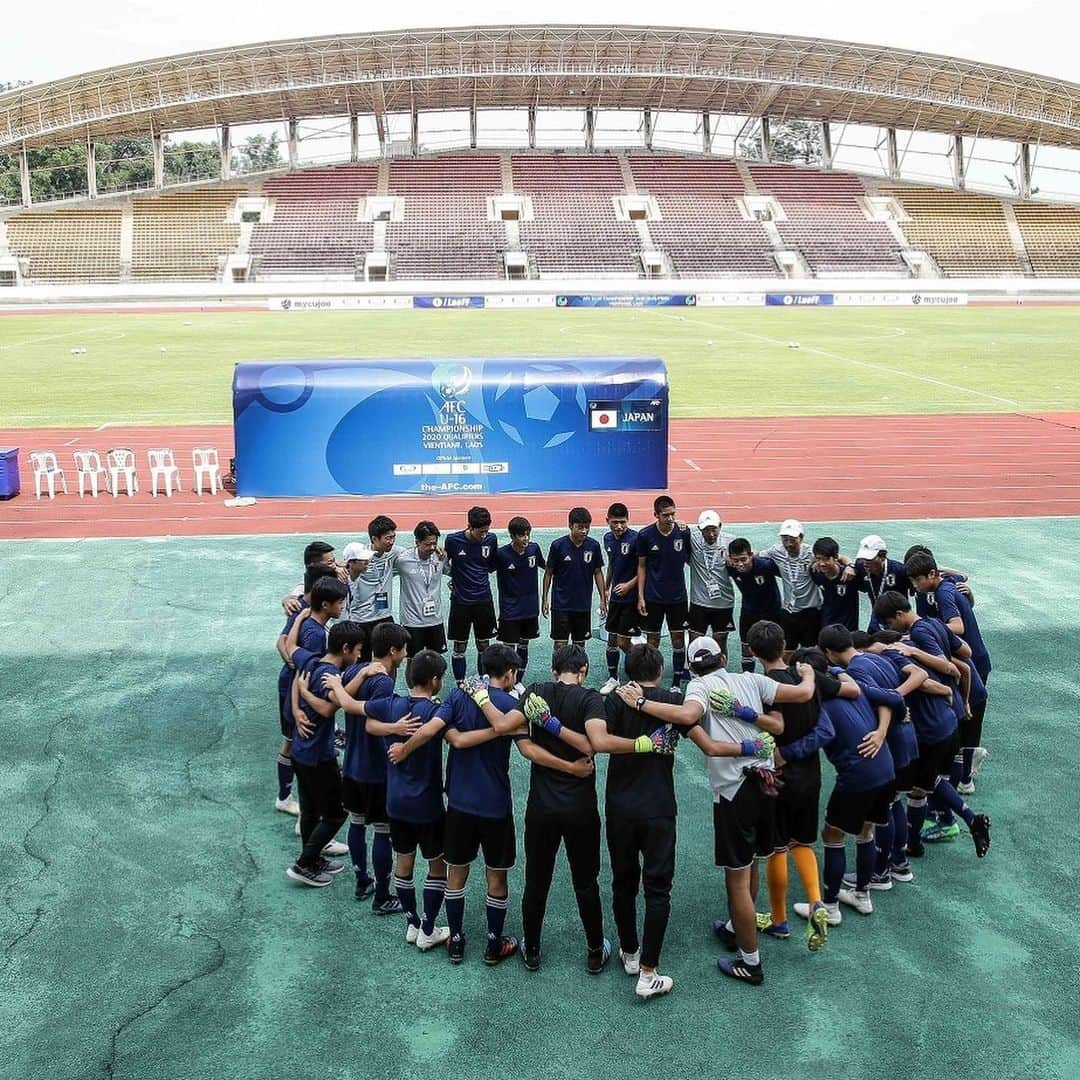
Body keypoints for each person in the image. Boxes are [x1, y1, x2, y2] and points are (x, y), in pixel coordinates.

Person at [616, 636, 815, 987]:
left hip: (735, 790)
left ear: (692, 666)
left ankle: (750, 961)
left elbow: (689, 715)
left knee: (736, 877)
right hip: (768, 782)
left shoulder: (698, 687)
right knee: (752, 861)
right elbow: (802, 694)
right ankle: (734, 929)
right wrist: (808, 672)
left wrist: (642, 701)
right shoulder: (751, 679)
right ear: (724, 656)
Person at [389, 645, 583, 966]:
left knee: (456, 873)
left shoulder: (456, 697)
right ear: (509, 673)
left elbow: (432, 730)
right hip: (495, 806)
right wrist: (572, 768)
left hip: (460, 805)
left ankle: (455, 940)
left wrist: (404, 749)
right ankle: (494, 944)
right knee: (497, 876)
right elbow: (530, 752)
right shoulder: (513, 705)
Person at [479, 645, 610, 973]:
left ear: (554, 670)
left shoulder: (536, 692)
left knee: (537, 879)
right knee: (586, 881)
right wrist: (572, 766)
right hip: (581, 808)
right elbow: (595, 744)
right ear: (584, 670)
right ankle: (595, 949)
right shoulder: (591, 699)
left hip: (542, 807)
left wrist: (480, 697)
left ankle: (532, 949)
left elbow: (504, 727)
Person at [587, 643, 685, 999]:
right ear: (659, 670)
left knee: (623, 882)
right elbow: (694, 722)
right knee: (658, 888)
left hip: (621, 807)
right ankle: (649, 970)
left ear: (627, 671)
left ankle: (630, 952)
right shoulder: (673, 702)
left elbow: (598, 742)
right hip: (659, 807)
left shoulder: (612, 700)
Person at [775, 649, 898, 922]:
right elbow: (890, 699)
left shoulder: (823, 699)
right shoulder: (852, 686)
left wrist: (786, 753)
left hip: (858, 775)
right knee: (866, 830)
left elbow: (823, 732)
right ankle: (862, 895)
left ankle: (829, 907)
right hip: (886, 767)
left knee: (832, 834)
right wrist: (881, 732)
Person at [873, 592, 991, 860]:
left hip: (934, 724)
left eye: (890, 623)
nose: (891, 630)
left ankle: (937, 829)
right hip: (952, 715)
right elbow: (965, 659)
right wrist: (961, 699)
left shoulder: (916, 639)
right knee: (932, 779)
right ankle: (950, 823)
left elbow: (948, 668)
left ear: (900, 615)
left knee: (919, 785)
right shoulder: (935, 623)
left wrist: (914, 652)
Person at [746, 620, 836, 952]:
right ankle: (815, 902)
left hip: (778, 777)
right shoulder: (805, 679)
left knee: (777, 847)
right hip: (811, 774)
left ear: (752, 652)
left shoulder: (762, 686)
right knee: (803, 842)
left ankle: (779, 918)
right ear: (784, 644)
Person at [314, 622, 412, 912]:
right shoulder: (383, 681)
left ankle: (361, 880)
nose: (406, 654)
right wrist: (398, 727)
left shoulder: (356, 670)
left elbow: (344, 697)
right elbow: (373, 722)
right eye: (404, 649)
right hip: (376, 769)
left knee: (357, 822)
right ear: (393, 651)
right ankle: (382, 895)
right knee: (383, 829)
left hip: (353, 765)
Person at [820, 624, 926, 887]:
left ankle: (882, 871)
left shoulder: (856, 672)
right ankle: (899, 863)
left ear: (829, 652)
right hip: (908, 739)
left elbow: (886, 698)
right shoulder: (875, 658)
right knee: (893, 803)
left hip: (891, 745)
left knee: (884, 811)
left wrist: (880, 730)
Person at [365, 649, 453, 951]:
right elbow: (436, 733)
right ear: (434, 680)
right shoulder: (436, 710)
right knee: (437, 867)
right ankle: (428, 927)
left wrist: (392, 733)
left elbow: (365, 720)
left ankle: (412, 923)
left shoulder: (392, 705)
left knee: (404, 862)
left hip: (396, 802)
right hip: (427, 805)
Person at [285, 621, 365, 887]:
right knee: (336, 813)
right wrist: (363, 676)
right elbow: (332, 708)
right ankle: (304, 864)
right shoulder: (330, 674)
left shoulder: (311, 660)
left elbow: (291, 652)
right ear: (345, 648)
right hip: (319, 756)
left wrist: (298, 704)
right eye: (357, 650)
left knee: (309, 810)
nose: (359, 656)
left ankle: (314, 858)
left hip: (300, 750)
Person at [905, 550, 991, 794]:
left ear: (931, 574)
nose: (914, 585)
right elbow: (961, 575)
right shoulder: (946, 585)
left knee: (968, 715)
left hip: (971, 661)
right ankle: (965, 769)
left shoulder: (942, 593)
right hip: (971, 659)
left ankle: (965, 776)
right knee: (968, 715)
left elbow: (957, 625)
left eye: (916, 580)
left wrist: (925, 627)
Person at [274, 561, 340, 817]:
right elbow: (296, 661)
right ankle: (292, 801)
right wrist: (297, 706)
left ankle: (299, 804)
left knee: (297, 744)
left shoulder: (305, 612)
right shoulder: (310, 625)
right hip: (297, 691)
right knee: (297, 745)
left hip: (296, 688)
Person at [635, 495, 692, 689]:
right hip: (653, 597)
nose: (671, 518)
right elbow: (642, 566)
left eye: (673, 514)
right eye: (666, 515)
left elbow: (692, 558)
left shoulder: (683, 533)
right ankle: (651, 680)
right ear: (656, 515)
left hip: (678, 597)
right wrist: (641, 596)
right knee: (653, 640)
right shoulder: (645, 535)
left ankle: (676, 682)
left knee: (678, 638)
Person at [444, 507, 499, 681]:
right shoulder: (452, 541)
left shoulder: (491, 539)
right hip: (461, 601)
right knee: (460, 646)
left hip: (483, 599)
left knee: (484, 644)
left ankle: (484, 680)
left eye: (486, 531)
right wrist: (455, 578)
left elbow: (491, 565)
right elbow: (445, 565)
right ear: (469, 526)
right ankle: (460, 683)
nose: (484, 535)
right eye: (480, 532)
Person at [543, 507, 607, 650]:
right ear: (570, 526)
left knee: (579, 645)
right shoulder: (558, 546)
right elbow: (548, 573)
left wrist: (603, 599)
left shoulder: (593, 546)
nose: (584, 531)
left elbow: (598, 572)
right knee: (560, 645)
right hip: (561, 604)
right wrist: (545, 598)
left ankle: (578, 672)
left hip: (582, 604)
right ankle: (559, 672)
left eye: (587, 527)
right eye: (580, 527)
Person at [395, 522, 448, 687]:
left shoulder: (440, 558)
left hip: (435, 619)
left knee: (437, 662)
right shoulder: (403, 560)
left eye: (434, 543)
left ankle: (432, 698)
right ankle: (414, 696)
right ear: (417, 542)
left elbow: (453, 571)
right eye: (427, 544)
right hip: (412, 622)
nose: (432, 547)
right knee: (413, 661)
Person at [495, 516, 546, 686]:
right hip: (509, 609)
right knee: (508, 649)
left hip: (530, 608)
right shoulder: (501, 554)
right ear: (512, 536)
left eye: (528, 534)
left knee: (524, 645)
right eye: (521, 535)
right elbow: (481, 569)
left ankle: (518, 682)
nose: (526, 539)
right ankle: (506, 681)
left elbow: (548, 566)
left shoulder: (534, 549)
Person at [762, 520, 823, 655]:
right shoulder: (776, 551)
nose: (789, 544)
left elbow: (837, 558)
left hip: (810, 612)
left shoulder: (811, 553)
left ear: (801, 538)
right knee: (786, 653)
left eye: (793, 540)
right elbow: (756, 555)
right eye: (785, 539)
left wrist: (850, 565)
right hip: (788, 611)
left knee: (810, 654)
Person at [346, 516, 401, 662]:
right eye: (387, 538)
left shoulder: (394, 552)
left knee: (390, 660)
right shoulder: (360, 556)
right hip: (361, 619)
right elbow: (344, 565)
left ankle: (388, 685)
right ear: (374, 539)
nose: (391, 542)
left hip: (384, 616)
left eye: (393, 537)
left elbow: (414, 553)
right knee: (361, 662)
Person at [726, 538, 783, 673]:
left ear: (751, 555)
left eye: (743, 559)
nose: (740, 564)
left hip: (772, 612)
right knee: (746, 647)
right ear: (730, 558)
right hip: (749, 611)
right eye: (736, 560)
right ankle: (748, 677)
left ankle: (771, 678)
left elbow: (788, 574)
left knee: (771, 648)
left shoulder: (765, 566)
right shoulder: (729, 566)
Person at [600, 502, 640, 693]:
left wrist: (628, 585)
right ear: (607, 520)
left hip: (631, 599)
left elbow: (644, 569)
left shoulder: (636, 539)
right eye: (615, 522)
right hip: (615, 598)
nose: (619, 526)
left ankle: (640, 669)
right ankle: (613, 678)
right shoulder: (607, 538)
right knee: (611, 640)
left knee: (623, 642)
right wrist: (606, 589)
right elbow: (611, 564)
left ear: (628, 521)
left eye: (622, 522)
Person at [688, 510, 737, 658]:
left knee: (720, 642)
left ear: (720, 526)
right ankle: (694, 672)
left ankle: (721, 674)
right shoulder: (692, 539)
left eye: (714, 529)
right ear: (699, 529)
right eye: (706, 530)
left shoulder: (731, 542)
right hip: (699, 602)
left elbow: (748, 556)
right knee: (695, 641)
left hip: (724, 603)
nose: (710, 534)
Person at [853, 535, 912, 631]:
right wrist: (850, 565)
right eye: (863, 558)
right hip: (876, 620)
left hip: (897, 622)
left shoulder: (899, 570)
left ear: (882, 557)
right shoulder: (860, 567)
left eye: (869, 559)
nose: (865, 563)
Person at [811, 537, 860, 631]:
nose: (822, 563)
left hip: (848, 630)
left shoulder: (850, 575)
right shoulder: (815, 572)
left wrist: (850, 565)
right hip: (827, 628)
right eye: (818, 559)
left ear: (836, 558)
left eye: (826, 559)